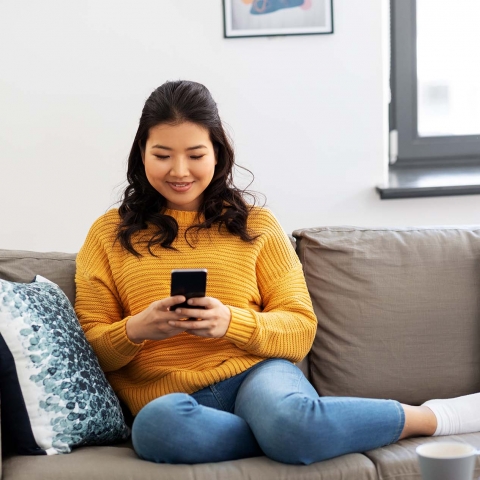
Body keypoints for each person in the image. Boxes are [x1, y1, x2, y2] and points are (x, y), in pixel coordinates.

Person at [75, 80, 480, 465]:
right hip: (173, 403)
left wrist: (231, 322)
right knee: (156, 429)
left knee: (288, 420)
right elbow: (91, 345)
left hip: (256, 376)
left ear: (217, 154)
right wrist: (137, 329)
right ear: (141, 153)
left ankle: (434, 417)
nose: (179, 170)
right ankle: (285, 436)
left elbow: (300, 329)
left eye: (195, 155)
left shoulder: (257, 226)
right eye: (162, 155)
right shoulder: (108, 234)